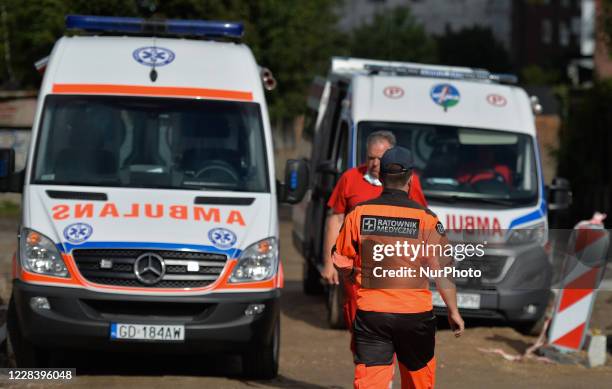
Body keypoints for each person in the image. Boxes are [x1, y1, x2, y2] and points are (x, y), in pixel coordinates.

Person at [332, 146, 464, 389]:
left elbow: (339, 258)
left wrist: (352, 275)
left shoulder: (359, 214)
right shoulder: (427, 219)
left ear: (381, 177)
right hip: (415, 316)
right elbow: (443, 272)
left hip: (372, 314)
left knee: (371, 384)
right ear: (411, 179)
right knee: (418, 382)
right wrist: (453, 311)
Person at [322, 131, 427, 335]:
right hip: (357, 269)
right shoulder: (350, 178)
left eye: (380, 158)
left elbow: (422, 222)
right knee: (359, 326)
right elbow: (335, 219)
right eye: (371, 157)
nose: (375, 163)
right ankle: (365, 361)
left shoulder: (409, 182)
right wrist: (329, 262)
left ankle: (380, 362)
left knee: (392, 325)